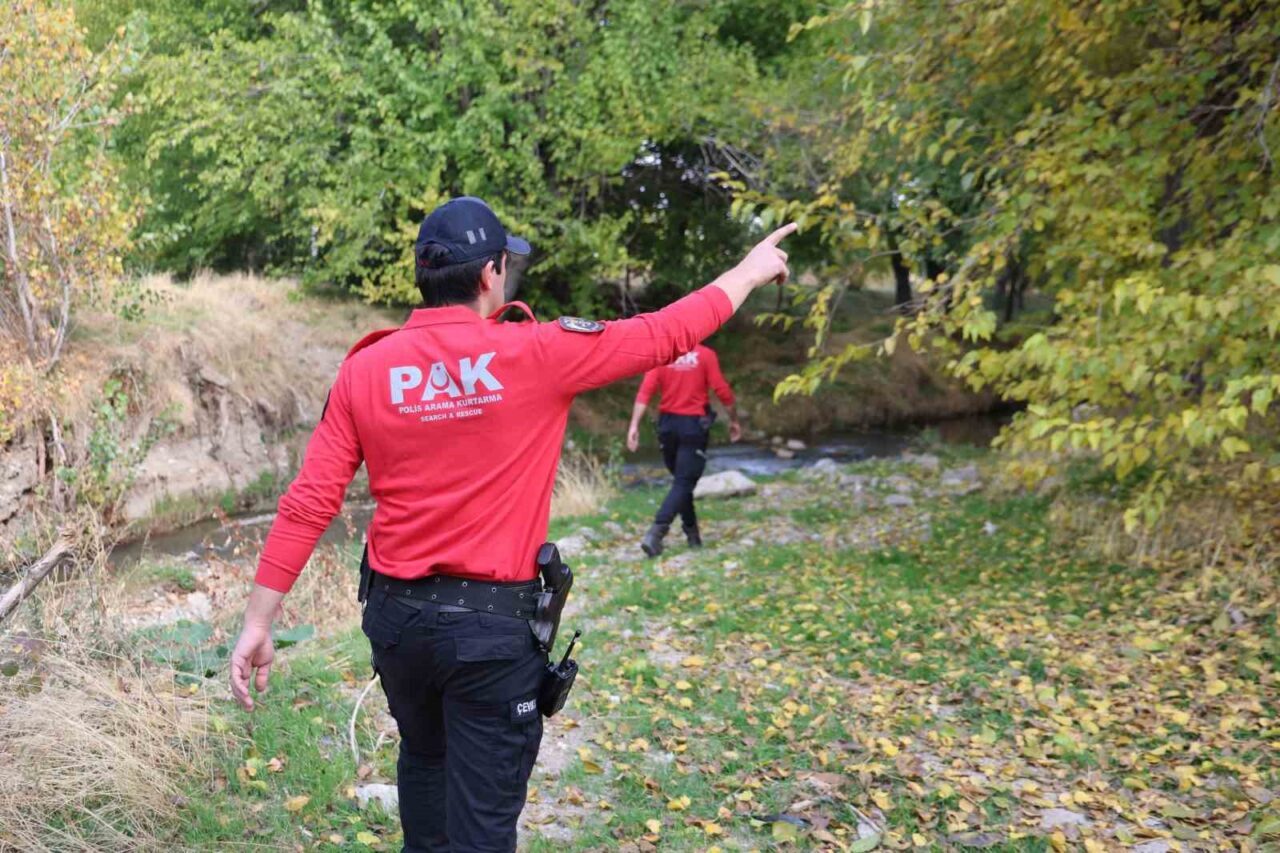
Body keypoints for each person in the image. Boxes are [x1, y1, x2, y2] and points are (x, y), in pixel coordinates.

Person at [228, 195, 794, 853]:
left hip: (398, 624)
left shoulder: (365, 368)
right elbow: (665, 332)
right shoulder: (538, 349)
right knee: (484, 827)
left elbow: (309, 501)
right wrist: (748, 272)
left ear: (424, 273)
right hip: (491, 634)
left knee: (426, 759)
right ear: (490, 273)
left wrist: (259, 621)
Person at [626, 342, 740, 556]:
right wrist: (733, 419)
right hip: (693, 426)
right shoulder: (706, 355)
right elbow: (721, 389)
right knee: (683, 482)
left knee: (681, 482)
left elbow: (645, 391)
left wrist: (634, 425)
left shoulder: (663, 354)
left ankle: (693, 536)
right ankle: (656, 533)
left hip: (667, 427)